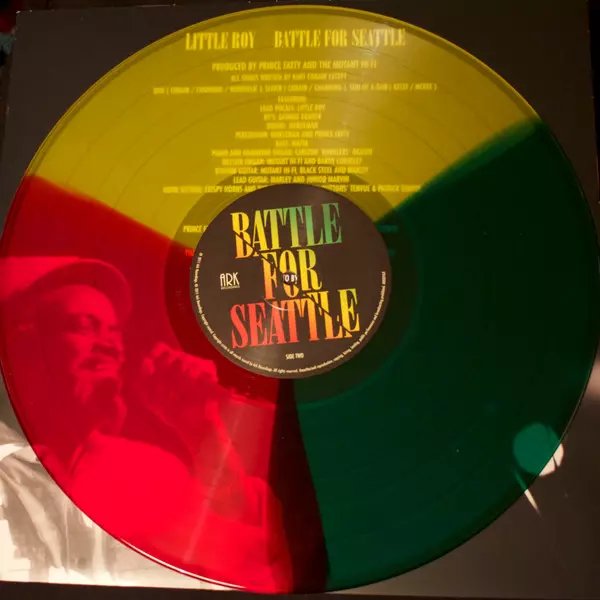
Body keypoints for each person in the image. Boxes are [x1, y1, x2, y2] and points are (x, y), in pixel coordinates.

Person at [0, 256, 291, 591]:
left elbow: (258, 562)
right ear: (22, 344)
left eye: (114, 332)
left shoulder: (146, 467)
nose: (110, 346)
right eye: (83, 326)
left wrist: (203, 434)